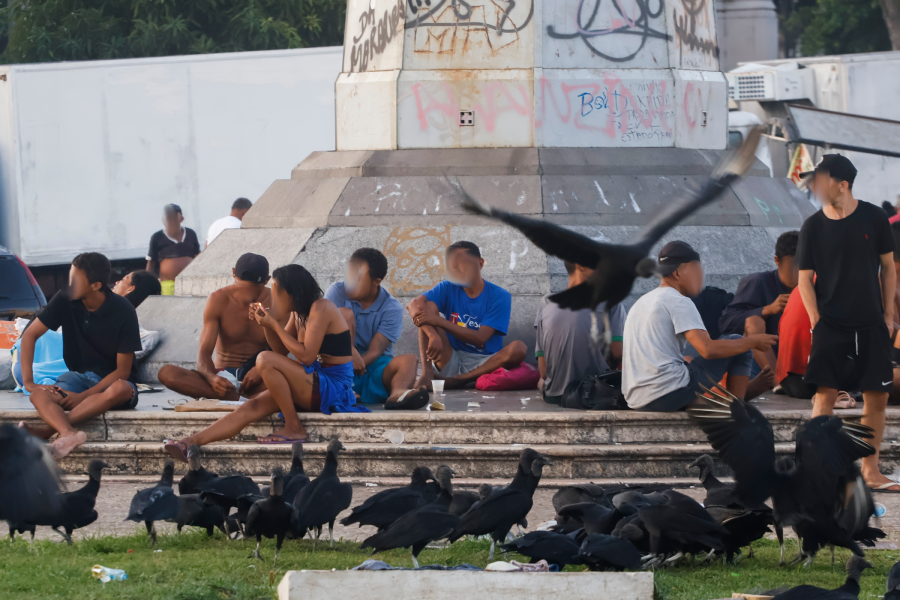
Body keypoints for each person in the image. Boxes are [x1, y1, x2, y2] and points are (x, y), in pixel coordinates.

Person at [163, 264, 367, 460]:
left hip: (334, 387)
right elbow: (280, 350)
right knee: (251, 407)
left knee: (263, 358)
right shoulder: (298, 314)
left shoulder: (321, 308)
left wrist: (274, 325)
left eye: (277, 292)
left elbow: (306, 356)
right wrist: (266, 324)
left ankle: (294, 427)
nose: (274, 297)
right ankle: (189, 442)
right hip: (312, 383)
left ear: (292, 293)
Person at [797, 154, 898, 492]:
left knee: (877, 396)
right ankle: (818, 472)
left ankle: (871, 471)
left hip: (871, 322)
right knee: (824, 396)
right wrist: (815, 321)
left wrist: (888, 314)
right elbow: (804, 279)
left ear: (842, 184)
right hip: (830, 323)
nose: (816, 185)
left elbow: (889, 267)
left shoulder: (874, 217)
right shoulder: (812, 224)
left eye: (821, 179)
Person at [622, 241, 777, 412]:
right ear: (677, 273)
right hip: (667, 394)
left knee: (689, 364)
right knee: (741, 344)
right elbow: (708, 349)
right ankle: (735, 412)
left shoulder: (642, 302)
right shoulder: (678, 301)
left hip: (637, 400)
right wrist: (752, 342)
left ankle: (709, 403)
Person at [19, 253, 142, 458]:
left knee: (121, 388)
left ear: (96, 285)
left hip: (112, 381)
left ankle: (48, 431)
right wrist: (29, 382)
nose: (69, 284)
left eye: (75, 280)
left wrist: (84, 397)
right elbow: (30, 335)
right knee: (39, 394)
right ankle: (68, 433)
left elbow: (122, 371)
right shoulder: (65, 299)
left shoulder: (124, 311)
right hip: (77, 377)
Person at [407, 241, 527, 391]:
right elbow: (413, 304)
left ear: (480, 263)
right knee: (428, 306)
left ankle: (459, 380)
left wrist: (438, 321)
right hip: (452, 359)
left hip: (486, 364)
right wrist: (432, 335)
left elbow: (480, 339)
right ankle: (427, 373)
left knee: (519, 348)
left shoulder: (499, 296)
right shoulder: (447, 287)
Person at [158, 254, 271, 402]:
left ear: (267, 281)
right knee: (167, 373)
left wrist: (261, 368)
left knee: (291, 381)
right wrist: (212, 378)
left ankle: (241, 399)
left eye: (253, 290)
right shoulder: (218, 299)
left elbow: (284, 348)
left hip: (261, 377)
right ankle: (244, 399)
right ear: (233, 273)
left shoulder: (275, 300)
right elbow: (203, 354)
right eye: (242, 288)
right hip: (224, 377)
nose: (247, 295)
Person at [324, 248, 428, 409]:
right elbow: (325, 331)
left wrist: (358, 362)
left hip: (373, 366)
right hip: (337, 365)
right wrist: (350, 352)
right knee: (344, 314)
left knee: (409, 360)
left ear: (376, 281)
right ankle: (344, 388)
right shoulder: (336, 292)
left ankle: (398, 393)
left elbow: (375, 351)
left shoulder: (391, 307)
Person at [534, 260, 625, 404]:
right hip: (593, 395)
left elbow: (543, 371)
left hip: (555, 396)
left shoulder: (547, 305)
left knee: (540, 382)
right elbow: (617, 354)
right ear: (581, 266)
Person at [719, 230, 800, 379]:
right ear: (777, 260)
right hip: (761, 362)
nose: (795, 272)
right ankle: (779, 382)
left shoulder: (813, 285)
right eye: (791, 265)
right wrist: (767, 309)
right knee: (754, 322)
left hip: (798, 358)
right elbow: (726, 323)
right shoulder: (757, 282)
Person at [146, 204, 201, 295]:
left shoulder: (191, 234)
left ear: (181, 218)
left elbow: (198, 256)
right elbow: (151, 262)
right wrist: (147, 283)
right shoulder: (157, 237)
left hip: (191, 282)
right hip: (168, 284)